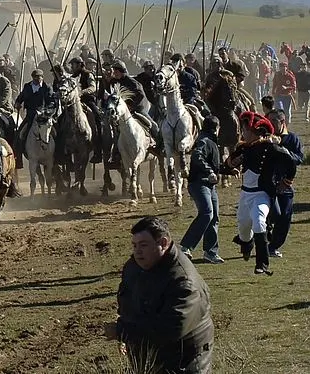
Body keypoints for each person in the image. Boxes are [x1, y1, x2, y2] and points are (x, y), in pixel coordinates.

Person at [106, 216, 214, 374]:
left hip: (183, 362)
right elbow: (127, 300)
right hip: (150, 356)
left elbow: (170, 330)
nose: (137, 251)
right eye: (134, 245)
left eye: (143, 245)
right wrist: (125, 332)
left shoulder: (184, 282)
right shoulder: (135, 267)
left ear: (163, 243)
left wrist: (122, 332)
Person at [226, 111, 295, 275]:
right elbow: (227, 164)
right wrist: (231, 164)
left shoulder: (270, 148)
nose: (243, 133)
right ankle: (246, 243)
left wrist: (286, 182)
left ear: (255, 131)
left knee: (259, 221)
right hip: (245, 195)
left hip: (261, 194)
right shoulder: (243, 148)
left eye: (246, 130)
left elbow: (290, 162)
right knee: (243, 227)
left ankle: (262, 264)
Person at [178, 116, 225, 264]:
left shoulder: (210, 141)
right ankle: (185, 247)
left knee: (214, 216)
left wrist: (229, 170)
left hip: (209, 185)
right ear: (216, 128)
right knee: (206, 213)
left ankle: (210, 252)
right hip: (199, 184)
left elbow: (213, 164)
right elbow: (197, 157)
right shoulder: (205, 141)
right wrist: (209, 172)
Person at [266, 110, 301, 258]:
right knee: (274, 214)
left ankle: (273, 246)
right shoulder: (265, 138)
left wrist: (283, 150)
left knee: (285, 217)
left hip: (285, 183)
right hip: (267, 183)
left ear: (282, 122)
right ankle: (265, 230)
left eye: (274, 121)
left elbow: (299, 158)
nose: (271, 124)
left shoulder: (292, 139)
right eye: (269, 120)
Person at [12, 69, 55, 170]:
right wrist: (17, 102)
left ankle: (58, 158)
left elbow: (52, 102)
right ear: (33, 78)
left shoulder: (47, 87)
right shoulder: (28, 86)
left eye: (39, 77)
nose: (37, 79)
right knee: (19, 135)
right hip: (30, 116)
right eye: (35, 77)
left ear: (42, 77)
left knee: (56, 134)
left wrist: (47, 112)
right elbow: (21, 97)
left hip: (44, 117)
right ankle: (18, 160)